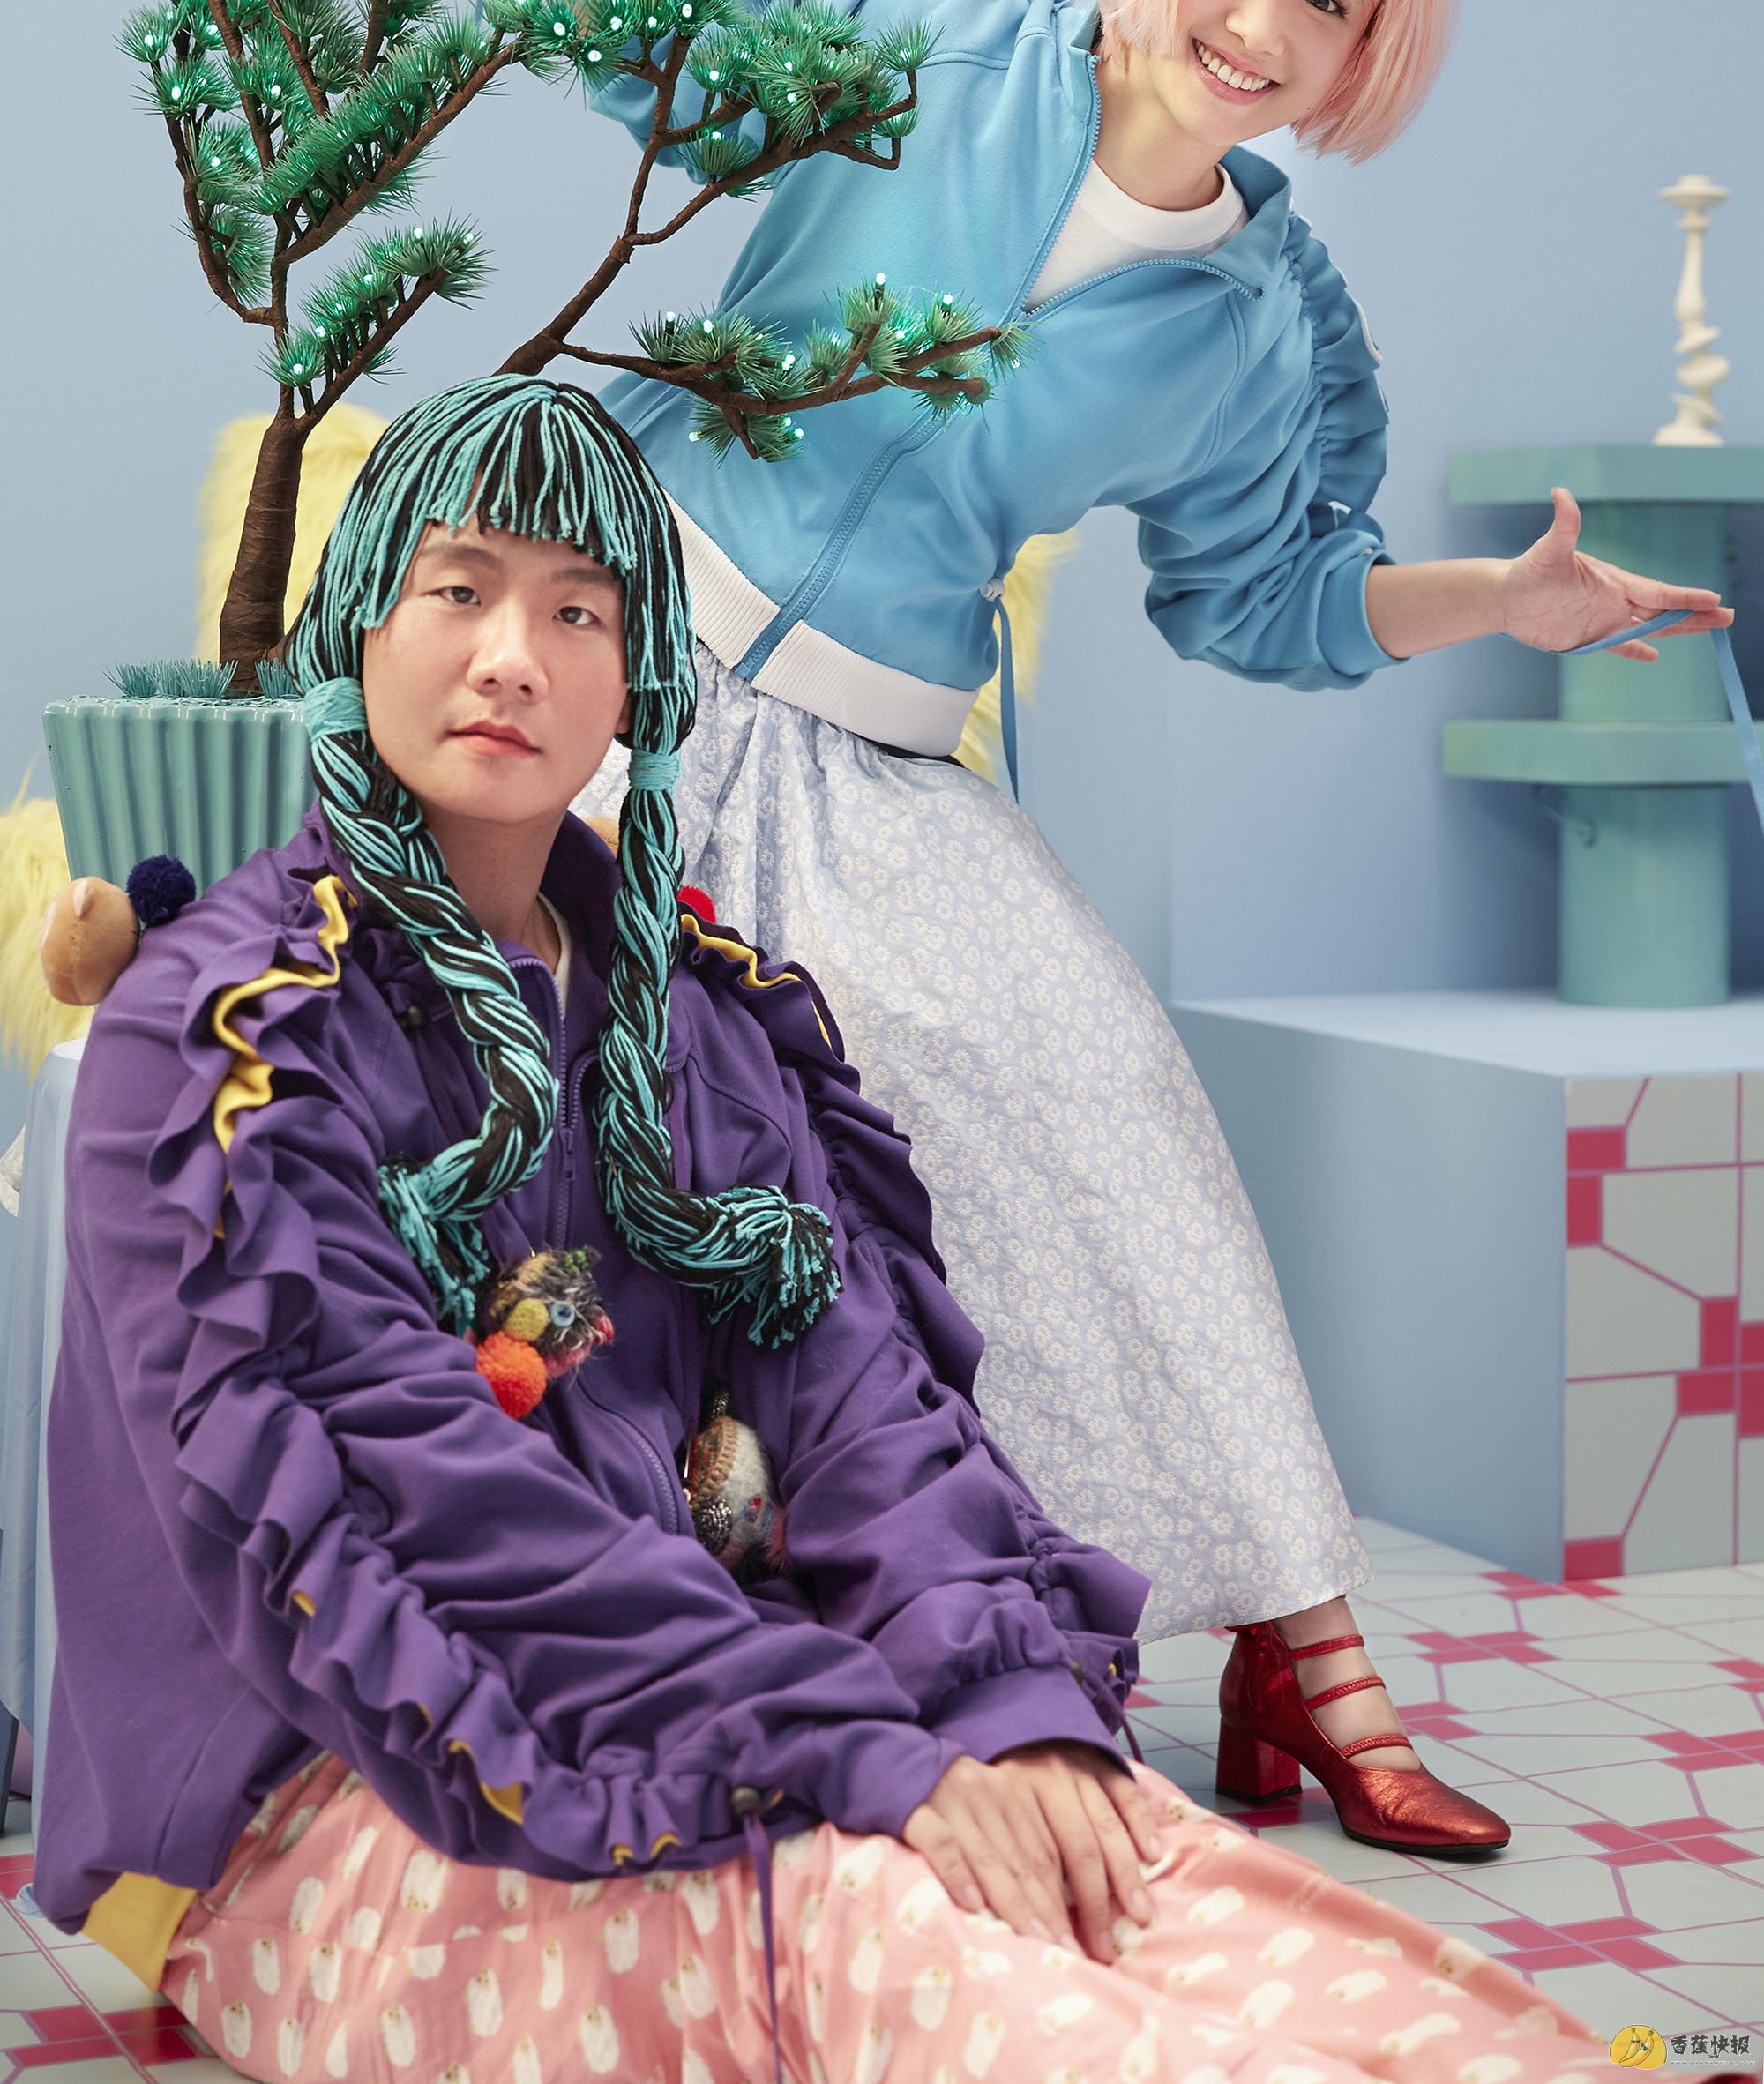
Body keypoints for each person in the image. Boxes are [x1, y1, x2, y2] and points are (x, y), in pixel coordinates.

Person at [446, 0, 1731, 1857]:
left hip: (870, 753)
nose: (1259, 27)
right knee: (574, 1132)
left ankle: (1296, 1641)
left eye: (1327, 4)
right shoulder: (938, 35)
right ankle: (615, 1637)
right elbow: (666, 70)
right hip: (616, 660)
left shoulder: (1252, 330)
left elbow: (1267, 599)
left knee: (1104, 1096)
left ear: (1366, 54)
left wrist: (1499, 603)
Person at [41, 377, 1608, 2083]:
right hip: (349, 1772)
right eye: (458, 589)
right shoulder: (226, 1037)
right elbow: (415, 1498)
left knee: (1128, 1864)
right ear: (358, 622)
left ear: (640, 680)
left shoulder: (698, 1016)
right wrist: (866, 1754)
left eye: (578, 612)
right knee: (896, 1936)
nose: (512, 658)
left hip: (750, 1692)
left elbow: (866, 1402)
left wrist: (1002, 1715)